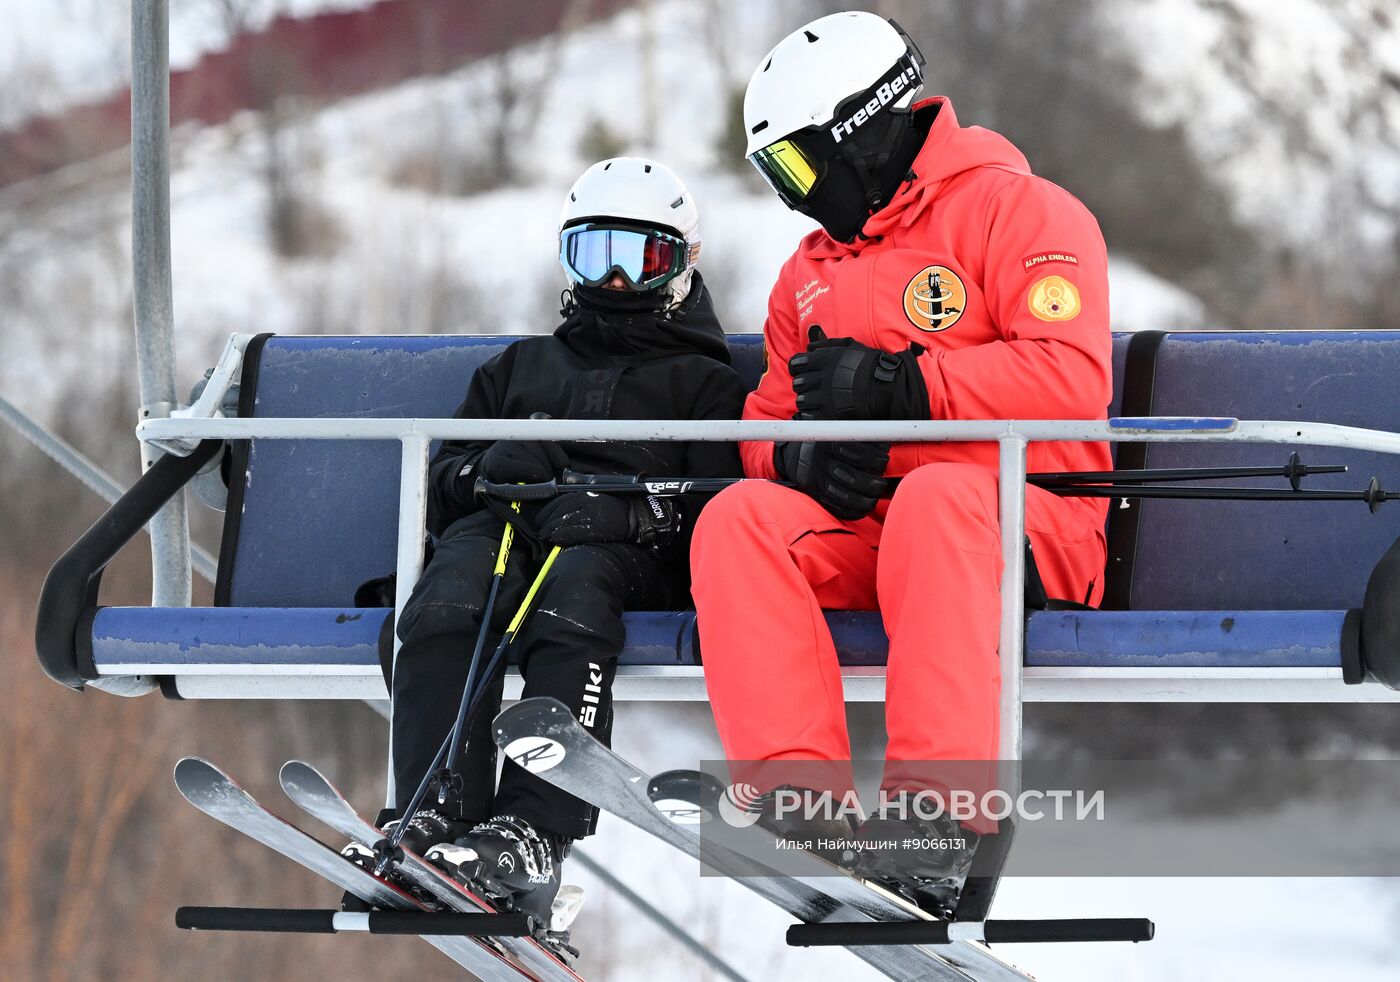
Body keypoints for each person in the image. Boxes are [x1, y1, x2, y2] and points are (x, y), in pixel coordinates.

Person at [689, 11, 1113, 912]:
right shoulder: (808, 272)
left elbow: (1069, 376)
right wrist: (796, 463)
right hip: (886, 538)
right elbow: (761, 423)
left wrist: (909, 388)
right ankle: (801, 804)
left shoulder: (1021, 212)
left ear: (865, 127)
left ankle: (942, 821)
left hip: (1032, 523)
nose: (795, 198)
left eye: (800, 167)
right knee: (738, 520)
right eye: (776, 178)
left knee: (939, 499)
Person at [366, 156, 746, 920]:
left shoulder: (705, 383)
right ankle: (437, 809)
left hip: (626, 559)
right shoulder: (520, 368)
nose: (612, 282)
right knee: (446, 596)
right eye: (592, 254)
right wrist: (486, 473)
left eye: (638, 259)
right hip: (511, 528)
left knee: (571, 594)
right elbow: (441, 484)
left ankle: (535, 830)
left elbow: (721, 505)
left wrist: (632, 513)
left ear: (681, 265)